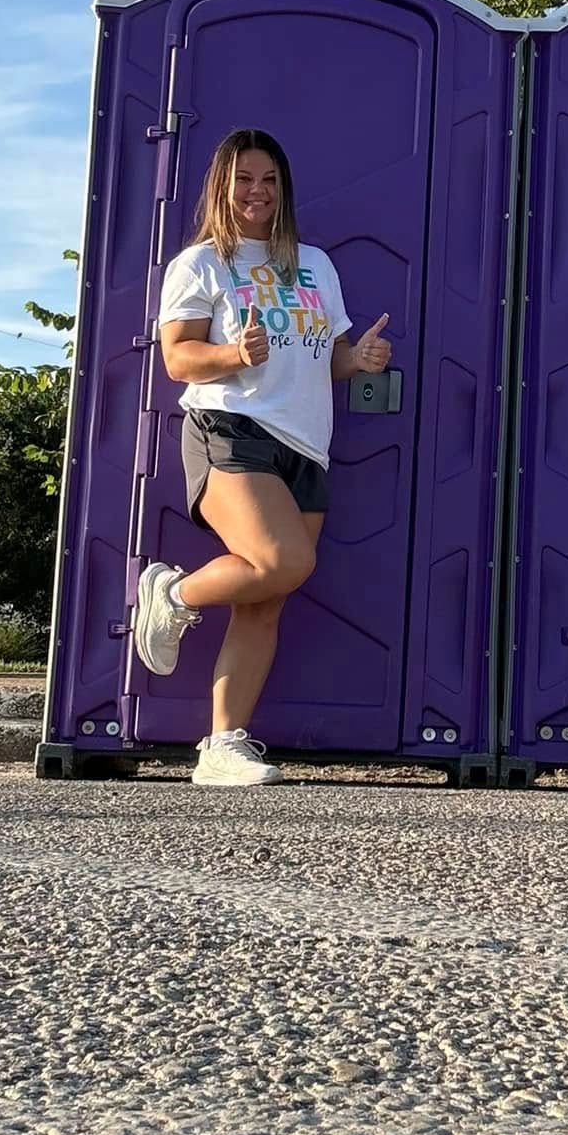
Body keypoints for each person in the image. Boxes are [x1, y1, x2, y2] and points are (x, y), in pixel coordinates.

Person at [130, 128, 393, 786]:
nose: (257, 192)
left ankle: (221, 747)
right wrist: (233, 355)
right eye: (244, 179)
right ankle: (173, 592)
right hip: (231, 427)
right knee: (283, 562)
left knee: (266, 596)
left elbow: (324, 356)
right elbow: (178, 357)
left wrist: (355, 359)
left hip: (306, 443)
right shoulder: (201, 265)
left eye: (269, 179)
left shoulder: (314, 264)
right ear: (223, 187)